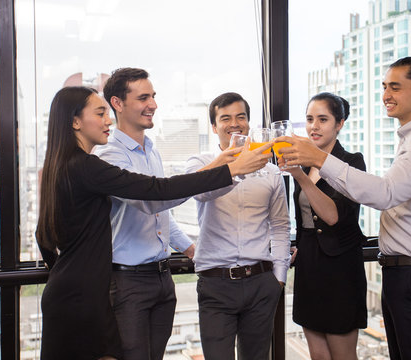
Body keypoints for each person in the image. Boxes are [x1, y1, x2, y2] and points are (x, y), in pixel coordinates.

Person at [36, 86, 272, 360]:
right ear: (75, 122)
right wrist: (231, 169)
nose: (108, 120)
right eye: (100, 113)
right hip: (82, 298)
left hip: (74, 293)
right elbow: (157, 191)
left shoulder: (63, 165)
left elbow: (43, 237)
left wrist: (65, 274)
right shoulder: (86, 167)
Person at [278, 57, 411, 360]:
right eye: (384, 86)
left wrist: (319, 160)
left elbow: (385, 193)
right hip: (402, 274)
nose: (386, 94)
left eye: (395, 87)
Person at [94, 68, 195, 360]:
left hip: (163, 278)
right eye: (143, 97)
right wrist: (210, 176)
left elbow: (159, 217)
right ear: (118, 103)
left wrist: (190, 249)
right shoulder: (110, 155)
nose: (153, 104)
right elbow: (151, 202)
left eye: (153, 96)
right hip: (128, 283)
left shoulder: (151, 150)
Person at [185, 92, 290, 360]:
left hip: (261, 282)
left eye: (240, 117)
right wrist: (235, 169)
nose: (234, 123)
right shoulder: (200, 164)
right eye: (225, 118)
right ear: (214, 127)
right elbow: (200, 193)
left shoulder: (271, 171)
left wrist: (278, 278)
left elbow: (280, 226)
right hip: (215, 284)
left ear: (249, 123)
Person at [284, 92, 367, 360]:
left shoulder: (352, 162)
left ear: (339, 124)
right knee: (318, 355)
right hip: (309, 264)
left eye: (323, 119)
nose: (314, 127)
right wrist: (300, 246)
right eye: (309, 119)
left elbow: (332, 216)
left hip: (341, 268)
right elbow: (304, 217)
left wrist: (300, 175)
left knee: (342, 354)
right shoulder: (304, 162)